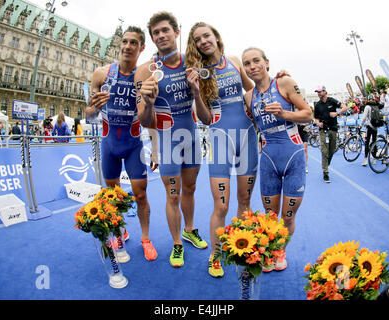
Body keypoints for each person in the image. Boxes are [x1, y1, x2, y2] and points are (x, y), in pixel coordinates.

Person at [184, 22, 259, 277]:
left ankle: (244, 250)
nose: (204, 41)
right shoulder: (198, 72)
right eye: (198, 39)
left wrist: (255, 108)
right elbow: (205, 119)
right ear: (195, 46)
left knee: (245, 200)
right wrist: (195, 91)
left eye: (207, 35)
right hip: (219, 140)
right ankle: (215, 256)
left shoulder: (235, 60)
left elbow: (251, 89)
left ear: (216, 37)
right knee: (222, 207)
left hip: (247, 136)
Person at [135, 12, 208, 268]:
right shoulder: (146, 70)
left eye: (165, 30)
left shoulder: (194, 61)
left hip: (191, 136)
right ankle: (177, 243)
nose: (161, 35)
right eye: (156, 33)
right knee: (173, 195)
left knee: (190, 189)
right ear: (153, 38)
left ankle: (189, 229)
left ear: (177, 32)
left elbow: (223, 61)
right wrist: (148, 102)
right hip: (167, 141)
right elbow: (144, 121)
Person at [86, 25, 158, 261]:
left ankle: (145, 238)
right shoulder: (101, 73)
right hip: (109, 145)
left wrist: (155, 149)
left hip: (134, 144)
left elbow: (150, 119)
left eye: (133, 43)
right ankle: (119, 231)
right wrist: (94, 108)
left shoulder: (143, 76)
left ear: (141, 47)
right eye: (124, 42)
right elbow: (88, 115)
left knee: (140, 195)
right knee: (113, 195)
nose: (127, 46)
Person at [242, 47, 312, 272]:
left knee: (288, 216)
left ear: (267, 63)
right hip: (269, 160)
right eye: (247, 63)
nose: (252, 66)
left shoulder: (285, 83)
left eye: (256, 61)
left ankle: (281, 251)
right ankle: (271, 251)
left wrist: (284, 114)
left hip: (294, 158)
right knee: (270, 217)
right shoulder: (248, 97)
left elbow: (308, 114)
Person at [313, 86, 348, 183]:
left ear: (325, 91)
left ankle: (326, 164)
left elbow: (345, 107)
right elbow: (315, 118)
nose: (319, 93)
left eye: (320, 92)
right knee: (324, 151)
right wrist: (318, 123)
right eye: (317, 92)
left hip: (333, 129)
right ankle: (325, 172)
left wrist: (337, 113)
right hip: (323, 130)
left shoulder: (332, 101)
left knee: (332, 150)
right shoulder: (317, 105)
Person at [360, 94, 380, 166]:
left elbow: (364, 117)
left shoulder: (367, 107)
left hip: (369, 126)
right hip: (375, 126)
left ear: (368, 99)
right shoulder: (376, 106)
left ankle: (365, 159)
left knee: (367, 142)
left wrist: (360, 125)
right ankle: (374, 159)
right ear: (374, 99)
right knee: (374, 142)